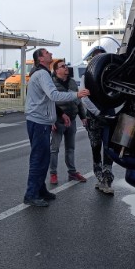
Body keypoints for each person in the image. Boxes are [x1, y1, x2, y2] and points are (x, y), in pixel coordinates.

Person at [23, 48, 90, 207]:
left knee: (43, 158)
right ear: (40, 59)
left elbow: (48, 99)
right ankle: (31, 194)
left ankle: (41, 190)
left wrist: (59, 114)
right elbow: (54, 95)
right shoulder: (42, 74)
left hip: (40, 121)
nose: (50, 54)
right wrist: (76, 95)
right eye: (46, 53)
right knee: (38, 159)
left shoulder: (39, 73)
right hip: (39, 122)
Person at [80, 47, 116, 195]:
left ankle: (107, 180)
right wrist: (97, 113)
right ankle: (99, 177)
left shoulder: (112, 76)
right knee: (96, 148)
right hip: (94, 118)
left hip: (110, 117)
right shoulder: (86, 77)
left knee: (109, 149)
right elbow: (84, 97)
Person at [49, 59, 88, 185]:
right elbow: (49, 102)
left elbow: (78, 100)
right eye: (62, 66)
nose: (66, 68)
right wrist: (52, 120)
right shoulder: (51, 83)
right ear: (56, 70)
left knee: (70, 148)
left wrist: (83, 116)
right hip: (58, 121)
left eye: (66, 65)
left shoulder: (71, 82)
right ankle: (53, 174)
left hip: (71, 120)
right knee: (54, 149)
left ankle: (72, 172)